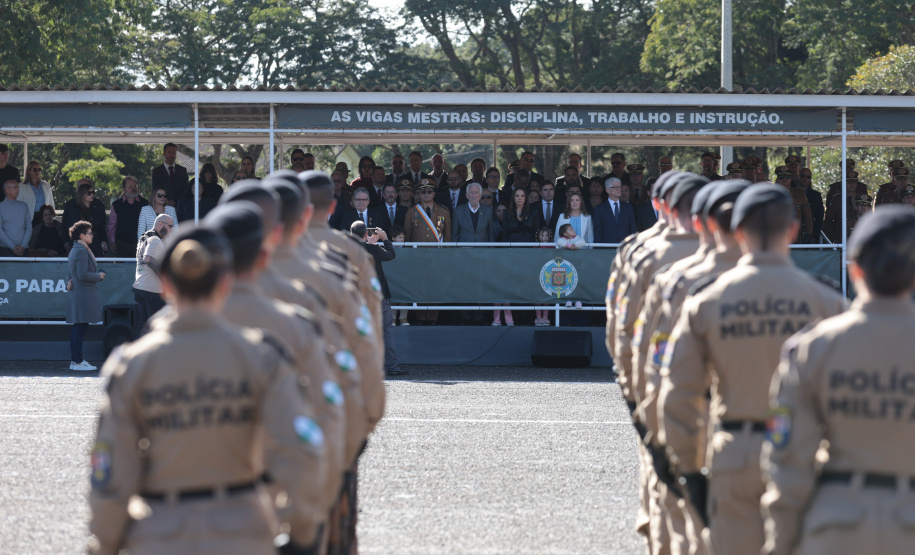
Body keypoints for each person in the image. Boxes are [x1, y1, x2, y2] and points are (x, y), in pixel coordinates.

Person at [87, 226, 328, 555]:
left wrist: (105, 542)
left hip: (159, 535)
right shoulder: (262, 356)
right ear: (225, 283)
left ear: (167, 286)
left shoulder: (132, 366)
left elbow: (110, 470)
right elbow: (300, 451)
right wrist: (301, 531)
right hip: (243, 532)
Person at [660, 184, 846, 555]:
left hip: (735, 453)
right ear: (792, 230)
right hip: (804, 455)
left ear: (737, 231)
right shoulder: (828, 302)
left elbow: (679, 398)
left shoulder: (706, 301)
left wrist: (691, 471)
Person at [761, 205, 915, 555]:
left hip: (835, 526)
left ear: (855, 269)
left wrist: (782, 543)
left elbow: (788, 462)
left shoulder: (812, 348)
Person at [352, 221, 405, 376]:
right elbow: (390, 254)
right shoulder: (372, 248)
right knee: (386, 331)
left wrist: (371, 243)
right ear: (366, 234)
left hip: (358, 297)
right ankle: (392, 366)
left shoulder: (348, 249)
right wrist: (385, 238)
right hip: (378, 296)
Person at [66, 220, 106, 371]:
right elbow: (82, 274)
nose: (92, 236)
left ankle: (76, 361)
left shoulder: (78, 249)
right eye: (90, 233)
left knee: (79, 326)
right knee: (80, 327)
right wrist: (99, 276)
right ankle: (77, 362)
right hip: (82, 293)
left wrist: (68, 284)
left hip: (80, 292)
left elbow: (71, 273)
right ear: (82, 235)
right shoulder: (80, 250)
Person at [133, 213, 173, 331]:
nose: (171, 230)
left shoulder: (144, 237)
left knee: (143, 324)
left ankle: (138, 349)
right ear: (160, 224)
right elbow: (148, 259)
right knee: (154, 327)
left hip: (139, 286)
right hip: (152, 290)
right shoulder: (155, 240)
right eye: (170, 226)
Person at [62, 181, 107, 257]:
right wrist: (67, 242)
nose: (92, 194)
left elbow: (102, 226)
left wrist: (104, 240)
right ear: (82, 194)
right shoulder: (72, 208)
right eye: (89, 193)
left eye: (92, 192)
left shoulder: (97, 206)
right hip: (80, 243)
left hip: (95, 242)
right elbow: (69, 227)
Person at [107, 176, 148, 258]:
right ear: (123, 189)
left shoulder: (145, 203)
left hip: (140, 243)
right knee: (121, 269)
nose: (133, 188)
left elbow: (148, 224)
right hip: (121, 243)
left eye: (135, 186)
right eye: (130, 186)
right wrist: (112, 241)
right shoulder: (116, 204)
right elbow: (112, 225)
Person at [774, 165, 814, 243]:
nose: (785, 179)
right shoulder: (770, 194)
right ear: (777, 179)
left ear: (791, 179)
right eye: (781, 176)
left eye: (788, 177)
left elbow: (808, 217)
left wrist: (808, 234)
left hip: (795, 239)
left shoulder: (799, 194)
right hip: (776, 239)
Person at [593, 177, 637, 243]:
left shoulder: (628, 207)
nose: (619, 189)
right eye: (616, 187)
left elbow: (633, 230)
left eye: (620, 187)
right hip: (606, 249)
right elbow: (597, 233)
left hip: (625, 248)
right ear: (607, 190)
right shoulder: (599, 209)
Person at [0, 180, 32, 256]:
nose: (18, 190)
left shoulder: (24, 206)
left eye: (18, 187)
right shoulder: (1, 207)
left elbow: (29, 227)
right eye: (15, 187)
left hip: (24, 249)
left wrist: (23, 246)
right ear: (7, 190)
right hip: (5, 249)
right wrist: (13, 247)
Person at [19, 160, 54, 226]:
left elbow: (51, 203)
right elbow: (19, 205)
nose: (37, 172)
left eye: (39, 169)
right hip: (30, 218)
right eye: (35, 170)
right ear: (29, 171)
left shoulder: (46, 185)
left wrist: (52, 217)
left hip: (45, 217)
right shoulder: (22, 186)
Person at [628, 164, 659, 232]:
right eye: (632, 175)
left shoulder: (666, 207)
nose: (635, 177)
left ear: (642, 176)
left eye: (638, 174)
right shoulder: (625, 192)